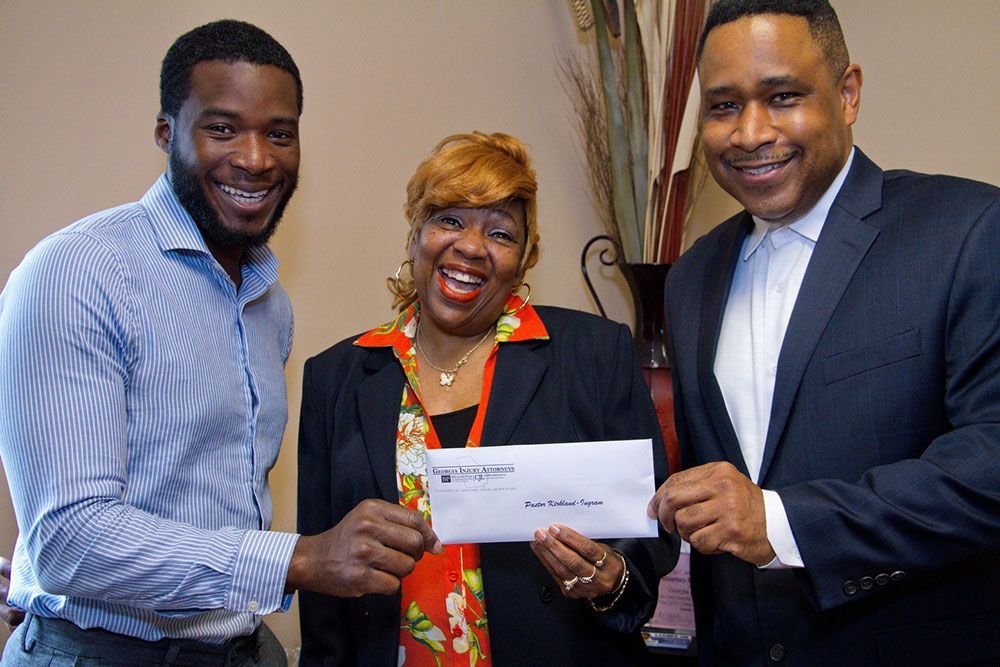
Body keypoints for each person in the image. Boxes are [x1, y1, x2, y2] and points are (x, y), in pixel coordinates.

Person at [0, 20, 439, 665]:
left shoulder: (268, 302)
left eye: (279, 133)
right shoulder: (75, 273)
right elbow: (68, 540)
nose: (256, 158)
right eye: (223, 128)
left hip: (241, 647)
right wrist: (300, 557)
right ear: (166, 133)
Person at [646, 1, 1000, 665]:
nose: (750, 132)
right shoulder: (691, 277)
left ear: (848, 93)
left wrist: (781, 521)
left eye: (782, 96)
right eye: (723, 106)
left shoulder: (969, 230)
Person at [297, 131, 677, 665]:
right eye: (449, 219)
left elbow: (650, 535)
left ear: (523, 260)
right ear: (415, 233)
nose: (471, 246)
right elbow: (323, 594)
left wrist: (610, 579)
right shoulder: (336, 377)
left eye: (500, 233)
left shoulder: (593, 354)